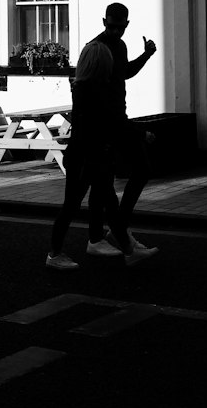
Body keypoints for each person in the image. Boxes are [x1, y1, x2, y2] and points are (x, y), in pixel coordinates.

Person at [46, 41, 138, 269]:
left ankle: (128, 250)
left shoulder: (82, 88)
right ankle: (54, 254)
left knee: (103, 203)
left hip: (85, 156)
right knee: (74, 207)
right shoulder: (93, 91)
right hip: (87, 158)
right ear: (102, 65)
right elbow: (106, 123)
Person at [88, 1, 159, 256]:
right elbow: (96, 92)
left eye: (121, 27)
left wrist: (146, 55)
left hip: (119, 117)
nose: (116, 31)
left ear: (126, 25)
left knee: (116, 178)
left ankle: (111, 232)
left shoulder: (120, 45)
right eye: (112, 26)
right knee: (106, 181)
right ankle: (109, 234)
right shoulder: (96, 48)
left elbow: (124, 73)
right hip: (108, 122)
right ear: (104, 21)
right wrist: (137, 131)